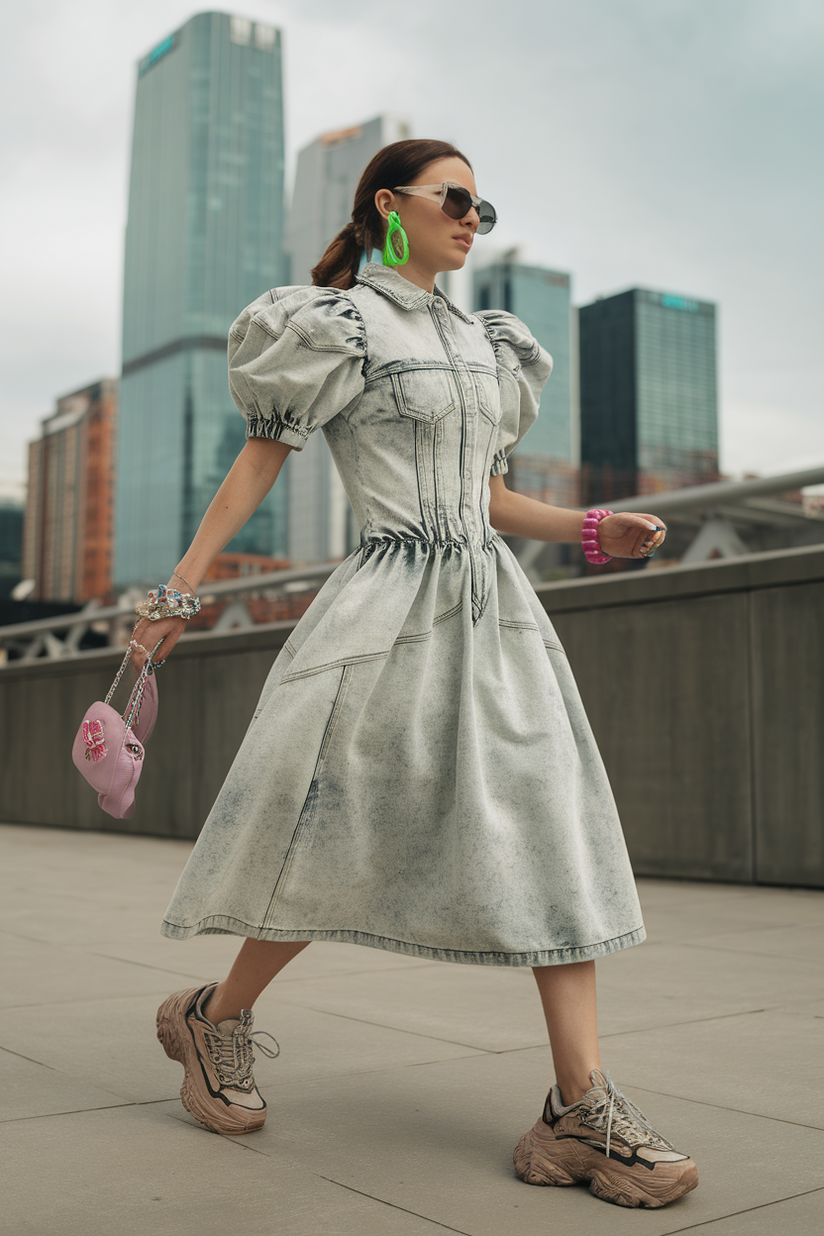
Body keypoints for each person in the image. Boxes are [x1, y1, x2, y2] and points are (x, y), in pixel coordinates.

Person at [133, 139, 698, 1210]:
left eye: (484, 206)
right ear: (388, 207)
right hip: (386, 606)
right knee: (339, 824)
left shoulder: (491, 344)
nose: (472, 218)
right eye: (454, 199)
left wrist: (590, 528)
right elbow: (260, 456)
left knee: (546, 823)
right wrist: (176, 595)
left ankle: (576, 1111)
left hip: (493, 609)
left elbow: (486, 498)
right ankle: (213, 1018)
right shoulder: (335, 323)